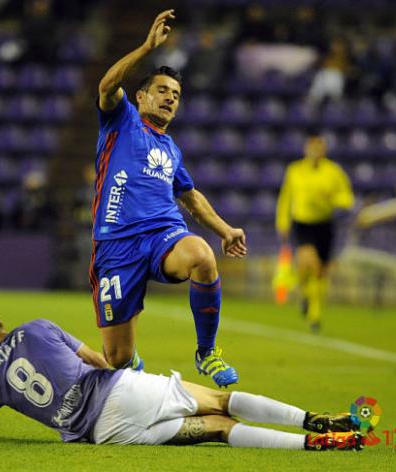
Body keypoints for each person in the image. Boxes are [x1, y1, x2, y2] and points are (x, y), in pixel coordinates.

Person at [91, 9, 247, 387]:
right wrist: (146, 48)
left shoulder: (171, 149)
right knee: (118, 358)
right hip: (115, 245)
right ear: (141, 95)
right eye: (162, 90)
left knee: (202, 257)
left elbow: (189, 196)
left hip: (162, 234)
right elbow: (107, 86)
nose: (170, 98)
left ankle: (206, 352)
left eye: (176, 95)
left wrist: (225, 230)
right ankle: (133, 361)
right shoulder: (121, 119)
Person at [0, 307, 363, 451]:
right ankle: (313, 422)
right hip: (117, 392)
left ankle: (316, 445)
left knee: (220, 431)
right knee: (221, 403)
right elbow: (98, 359)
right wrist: (128, 370)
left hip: (105, 433)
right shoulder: (37, 327)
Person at [275, 131, 354, 332]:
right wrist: (282, 221)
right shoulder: (295, 171)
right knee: (307, 262)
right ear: (306, 149)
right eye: (312, 146)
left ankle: (314, 312)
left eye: (319, 147)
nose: (315, 151)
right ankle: (308, 301)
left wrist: (335, 200)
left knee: (321, 272)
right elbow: (286, 197)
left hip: (324, 224)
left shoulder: (333, 172)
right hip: (303, 224)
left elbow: (346, 197)